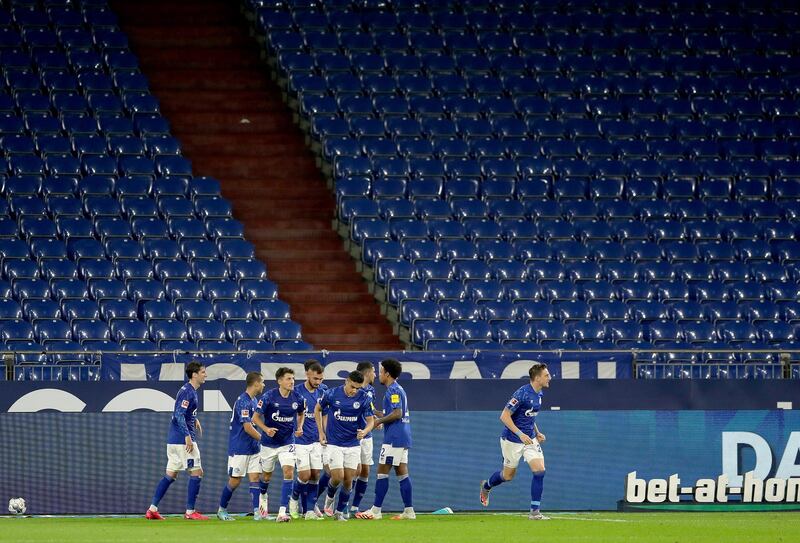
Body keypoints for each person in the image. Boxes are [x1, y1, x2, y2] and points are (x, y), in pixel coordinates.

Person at [479, 363, 551, 520]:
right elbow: (504, 416)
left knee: (540, 471)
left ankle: (534, 512)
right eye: (546, 375)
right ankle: (486, 486)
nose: (549, 377)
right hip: (512, 440)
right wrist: (519, 434)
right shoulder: (521, 394)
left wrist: (537, 433)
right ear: (537, 378)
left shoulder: (539, 394)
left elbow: (529, 415)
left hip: (530, 439)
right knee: (507, 476)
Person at [145, 361, 208, 520]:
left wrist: (195, 419)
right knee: (197, 472)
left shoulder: (189, 390)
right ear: (194, 375)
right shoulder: (188, 391)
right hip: (183, 440)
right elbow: (178, 414)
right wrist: (187, 435)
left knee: (170, 474)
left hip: (173, 440)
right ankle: (190, 511)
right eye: (202, 372)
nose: (205, 375)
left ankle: (152, 509)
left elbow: (185, 413)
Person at [355, 358, 414, 520]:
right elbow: (393, 412)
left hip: (394, 438)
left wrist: (377, 421)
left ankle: (376, 510)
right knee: (402, 473)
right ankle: (409, 511)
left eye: (380, 372)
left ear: (387, 374)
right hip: (403, 436)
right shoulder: (398, 389)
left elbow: (397, 413)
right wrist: (377, 414)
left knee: (382, 473)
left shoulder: (392, 391)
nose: (379, 374)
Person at [315, 370, 375, 521]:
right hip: (334, 443)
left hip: (353, 444)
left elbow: (370, 420)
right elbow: (317, 409)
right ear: (346, 381)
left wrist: (365, 431)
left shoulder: (364, 398)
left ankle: (339, 512)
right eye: (352, 386)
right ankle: (329, 496)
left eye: (357, 388)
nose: (354, 390)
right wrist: (321, 433)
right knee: (337, 476)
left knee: (349, 479)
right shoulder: (332, 394)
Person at [253, 367, 305, 522]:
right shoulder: (268, 396)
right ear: (280, 381)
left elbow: (301, 413)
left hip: (287, 442)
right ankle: (263, 495)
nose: (292, 382)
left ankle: (283, 512)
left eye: (293, 379)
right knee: (266, 476)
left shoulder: (297, 398)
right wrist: (266, 429)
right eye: (288, 379)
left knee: (289, 472)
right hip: (269, 443)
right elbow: (255, 418)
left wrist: (300, 426)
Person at [217, 371, 265, 521]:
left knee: (255, 478)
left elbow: (255, 424)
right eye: (262, 382)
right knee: (235, 480)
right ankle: (221, 510)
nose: (263, 385)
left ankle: (258, 513)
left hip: (253, 447)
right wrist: (263, 439)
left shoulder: (254, 400)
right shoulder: (243, 401)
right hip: (240, 448)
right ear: (256, 383)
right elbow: (247, 427)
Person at [289, 360, 327, 520]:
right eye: (315, 379)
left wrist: (323, 432)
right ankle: (294, 497)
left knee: (316, 474)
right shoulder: (296, 392)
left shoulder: (323, 392)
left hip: (316, 440)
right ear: (307, 375)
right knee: (304, 475)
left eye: (320, 379)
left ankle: (309, 510)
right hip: (300, 440)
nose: (318, 382)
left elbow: (324, 413)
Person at [349, 361, 379, 516]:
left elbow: (370, 410)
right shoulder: (353, 389)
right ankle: (340, 503)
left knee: (365, 471)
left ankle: (355, 507)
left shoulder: (371, 391)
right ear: (368, 373)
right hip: (352, 434)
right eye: (374, 372)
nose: (376, 375)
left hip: (367, 434)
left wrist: (376, 420)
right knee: (354, 470)